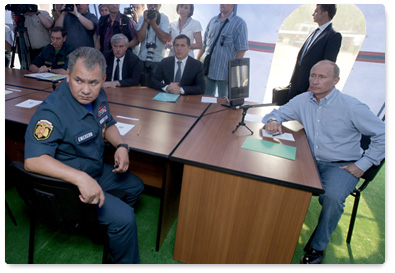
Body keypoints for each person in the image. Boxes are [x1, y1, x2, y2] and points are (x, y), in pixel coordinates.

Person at [24, 47, 144, 264]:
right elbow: (33, 160)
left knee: (135, 186)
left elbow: (106, 121)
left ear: (103, 79)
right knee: (125, 218)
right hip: (70, 183)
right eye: (79, 81)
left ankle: (98, 227)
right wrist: (81, 178)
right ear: (67, 76)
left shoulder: (99, 94)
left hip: (93, 168)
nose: (86, 90)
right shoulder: (52, 112)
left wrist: (121, 145)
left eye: (94, 83)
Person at [262, 60, 385, 264]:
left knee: (333, 197)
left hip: (342, 164)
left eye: (322, 77)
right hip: (309, 158)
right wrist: (273, 121)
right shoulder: (303, 100)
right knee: (274, 175)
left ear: (336, 80)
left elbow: (384, 133)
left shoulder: (352, 106)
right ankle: (275, 230)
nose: (315, 81)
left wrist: (364, 164)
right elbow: (276, 112)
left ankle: (318, 247)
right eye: (313, 75)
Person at [287, 4, 342, 101]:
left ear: (325, 13)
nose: (313, 14)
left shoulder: (333, 36)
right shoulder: (314, 32)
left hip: (309, 88)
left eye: (316, 11)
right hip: (296, 84)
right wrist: (292, 82)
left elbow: (327, 65)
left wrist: (313, 87)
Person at [196, 4, 248, 98]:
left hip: (225, 72)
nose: (221, 4)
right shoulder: (213, 21)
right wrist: (197, 61)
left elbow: (242, 49)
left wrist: (232, 73)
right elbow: (204, 44)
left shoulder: (239, 23)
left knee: (224, 101)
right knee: (206, 98)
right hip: (208, 69)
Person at [136, 4, 170, 86]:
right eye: (151, 5)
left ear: (160, 5)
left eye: (155, 5)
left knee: (155, 88)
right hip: (143, 58)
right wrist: (145, 22)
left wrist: (153, 24)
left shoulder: (164, 18)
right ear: (147, 5)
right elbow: (139, 39)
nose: (153, 7)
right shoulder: (143, 17)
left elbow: (165, 39)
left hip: (157, 59)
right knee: (141, 87)